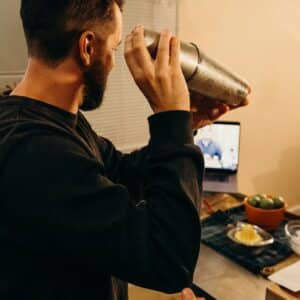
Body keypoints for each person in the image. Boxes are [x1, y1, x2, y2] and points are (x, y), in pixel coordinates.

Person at [0, 1, 248, 299]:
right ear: (88, 47)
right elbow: (170, 262)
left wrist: (185, 126)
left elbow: (124, 175)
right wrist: (170, 120)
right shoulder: (33, 151)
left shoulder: (50, 124)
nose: (114, 62)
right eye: (114, 49)